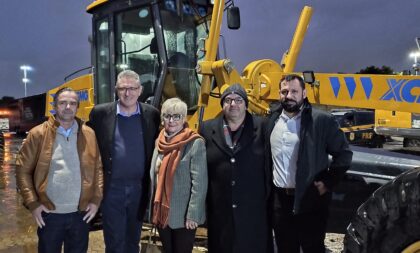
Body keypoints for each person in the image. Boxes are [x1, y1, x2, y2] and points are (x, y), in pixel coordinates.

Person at [267, 74, 353, 253]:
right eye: (284, 91)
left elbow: (344, 154)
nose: (288, 95)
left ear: (304, 93)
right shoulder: (272, 120)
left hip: (310, 200)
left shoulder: (321, 120)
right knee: (285, 247)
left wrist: (328, 183)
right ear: (279, 94)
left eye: (294, 91)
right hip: (280, 202)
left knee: (312, 248)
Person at [15, 87, 103, 253]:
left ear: (77, 107)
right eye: (63, 103)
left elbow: (98, 168)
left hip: (81, 214)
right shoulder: (38, 134)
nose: (68, 107)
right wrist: (33, 204)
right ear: (55, 106)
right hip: (50, 215)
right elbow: (22, 170)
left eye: (72, 103)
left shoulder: (89, 134)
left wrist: (96, 200)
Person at [87, 70, 160, 253]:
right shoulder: (100, 114)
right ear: (116, 90)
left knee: (133, 240)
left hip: (139, 189)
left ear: (140, 90)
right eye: (123, 89)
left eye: (132, 88)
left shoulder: (151, 114)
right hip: (112, 189)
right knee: (114, 241)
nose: (128, 93)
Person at [199, 84, 271, 253]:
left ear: (246, 104)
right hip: (220, 211)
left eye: (238, 100)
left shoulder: (262, 127)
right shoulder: (207, 129)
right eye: (228, 100)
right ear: (222, 104)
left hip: (253, 211)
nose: (233, 104)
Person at [150, 97, 207, 253]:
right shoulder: (159, 142)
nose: (171, 120)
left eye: (177, 116)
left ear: (184, 119)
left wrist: (193, 215)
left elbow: (200, 183)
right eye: (167, 116)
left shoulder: (195, 143)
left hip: (184, 217)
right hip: (162, 215)